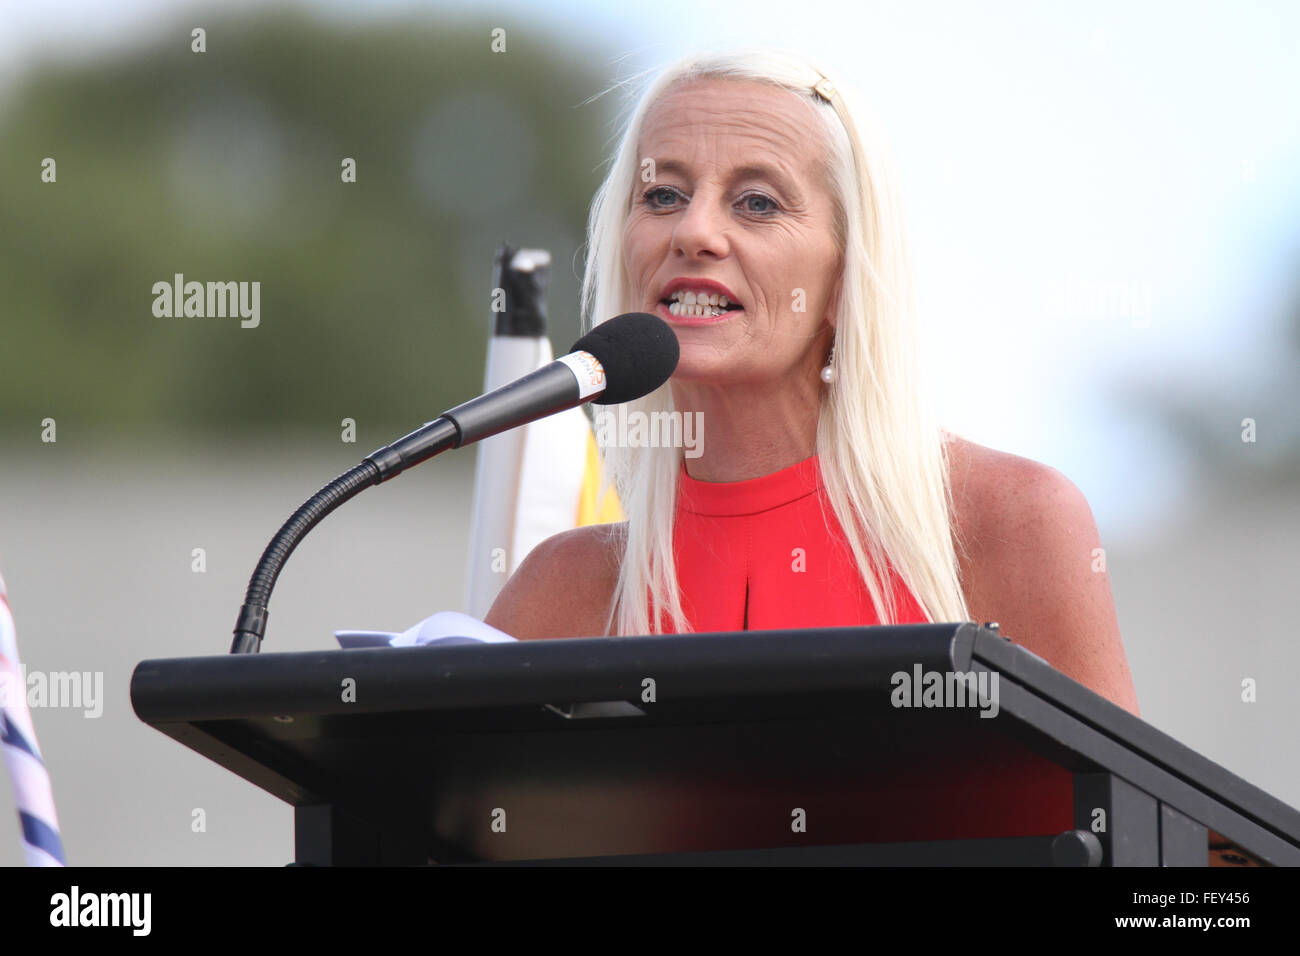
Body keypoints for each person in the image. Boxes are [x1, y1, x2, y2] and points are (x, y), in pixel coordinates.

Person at [486, 48, 1140, 718]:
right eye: (663, 196)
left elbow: (1127, 815)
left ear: (844, 279)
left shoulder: (1009, 522)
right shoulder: (560, 593)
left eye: (757, 203)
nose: (694, 231)